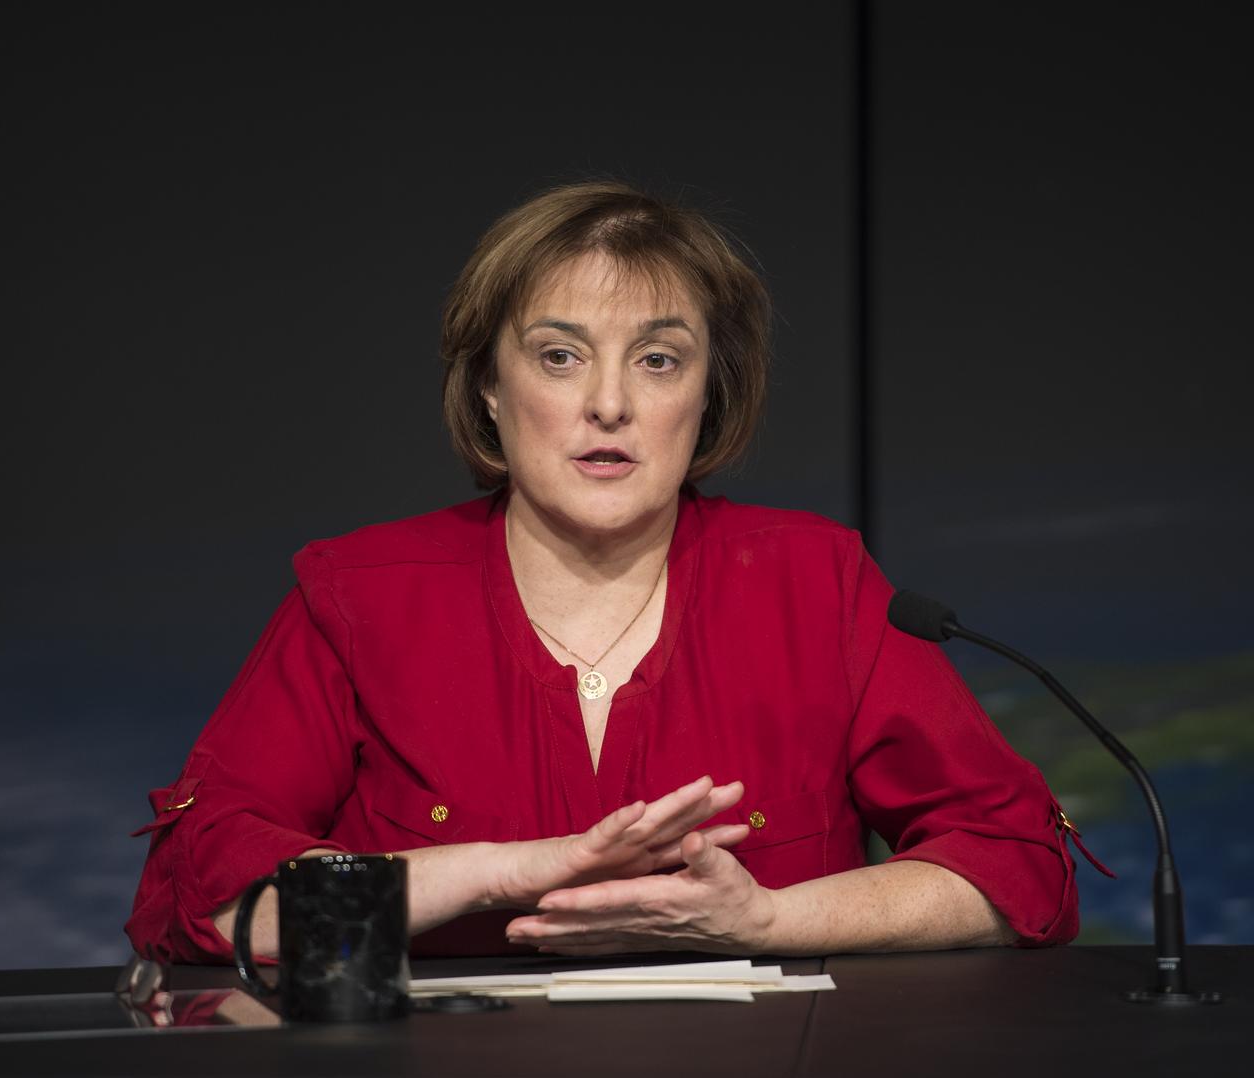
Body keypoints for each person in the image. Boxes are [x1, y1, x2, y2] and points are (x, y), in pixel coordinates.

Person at [127, 180, 1092, 964]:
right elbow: (205, 904)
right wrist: (497, 872)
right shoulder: (359, 594)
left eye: (659, 360)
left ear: (710, 397)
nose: (609, 405)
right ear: (490, 389)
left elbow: (1018, 870)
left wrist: (768, 923)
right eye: (559, 356)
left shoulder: (817, 580)